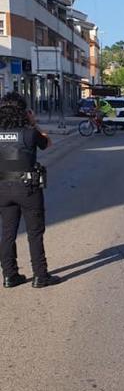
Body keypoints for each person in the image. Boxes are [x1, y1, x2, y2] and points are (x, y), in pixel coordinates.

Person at [0, 93, 58, 288]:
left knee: (7, 233)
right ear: (24, 112)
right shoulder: (29, 132)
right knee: (34, 233)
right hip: (27, 189)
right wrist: (33, 123)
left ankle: (9, 275)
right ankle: (40, 276)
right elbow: (48, 143)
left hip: (3, 189)